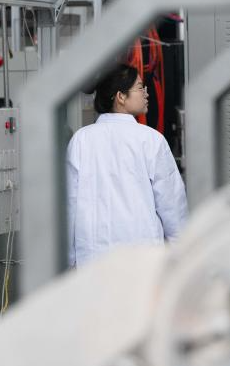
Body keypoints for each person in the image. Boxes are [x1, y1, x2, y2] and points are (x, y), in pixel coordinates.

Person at [66, 63, 188, 268]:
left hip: (93, 259)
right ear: (120, 97)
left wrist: (68, 261)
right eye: (140, 87)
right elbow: (172, 205)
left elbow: (70, 203)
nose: (146, 93)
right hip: (143, 257)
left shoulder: (81, 140)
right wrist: (182, 253)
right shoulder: (151, 140)